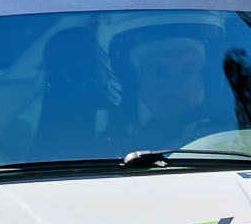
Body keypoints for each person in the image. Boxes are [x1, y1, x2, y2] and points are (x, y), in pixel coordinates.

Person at [96, 11, 232, 150]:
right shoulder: (100, 151)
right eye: (159, 72)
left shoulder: (232, 139)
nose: (175, 86)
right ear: (132, 82)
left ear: (204, 79)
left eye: (188, 71)